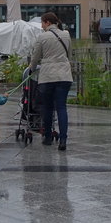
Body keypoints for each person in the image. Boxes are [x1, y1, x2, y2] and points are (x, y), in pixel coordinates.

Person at [26, 11, 73, 150]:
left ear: (47, 22)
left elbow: (35, 58)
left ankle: (47, 136)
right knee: (61, 107)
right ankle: (63, 139)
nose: (41, 25)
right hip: (64, 76)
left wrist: (31, 69)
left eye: (42, 22)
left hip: (47, 77)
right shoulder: (66, 35)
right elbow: (69, 55)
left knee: (47, 107)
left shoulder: (42, 37)